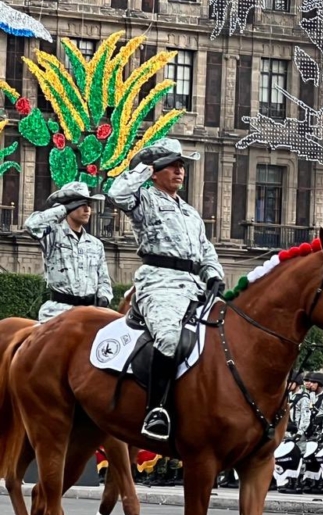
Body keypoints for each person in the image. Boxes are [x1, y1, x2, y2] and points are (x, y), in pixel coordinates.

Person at [108, 138, 224, 442]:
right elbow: (116, 194)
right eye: (172, 165)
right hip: (159, 283)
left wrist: (213, 273)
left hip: (194, 285)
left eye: (182, 165)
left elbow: (206, 249)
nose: (180, 171)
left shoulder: (190, 213)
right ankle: (155, 411)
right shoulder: (145, 200)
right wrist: (144, 168)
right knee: (169, 337)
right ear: (156, 171)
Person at [25, 181, 112, 323]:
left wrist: (104, 297)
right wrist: (63, 208)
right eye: (81, 204)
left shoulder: (96, 245)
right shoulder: (52, 234)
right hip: (57, 314)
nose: (87, 209)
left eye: (88, 205)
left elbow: (103, 279)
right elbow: (31, 225)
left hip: (89, 314)